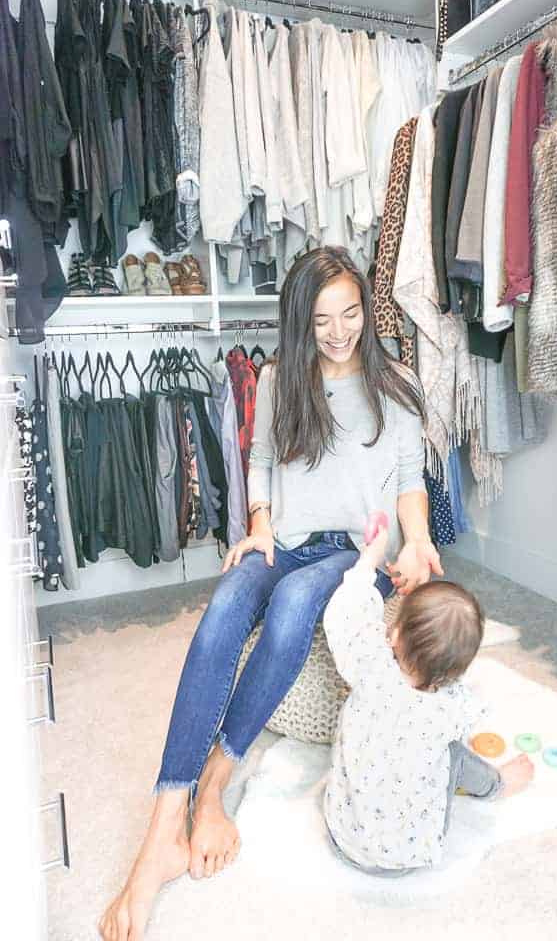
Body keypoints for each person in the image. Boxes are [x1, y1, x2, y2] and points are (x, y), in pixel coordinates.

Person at [99, 246, 443, 941]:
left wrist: (418, 540)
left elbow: (409, 479)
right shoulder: (283, 376)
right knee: (225, 605)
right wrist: (257, 526)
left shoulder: (398, 384)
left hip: (355, 552)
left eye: (350, 313)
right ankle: (166, 821)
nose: (340, 331)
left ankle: (216, 787)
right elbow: (259, 461)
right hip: (283, 539)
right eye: (321, 320)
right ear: (298, 321)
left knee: (290, 609)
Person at [323, 525, 535, 875]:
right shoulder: (454, 707)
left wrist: (369, 560)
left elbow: (347, 614)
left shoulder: (369, 663)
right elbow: (458, 715)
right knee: (454, 754)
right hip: (407, 855)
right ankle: (497, 785)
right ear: (460, 668)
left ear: (392, 633)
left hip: (344, 837)